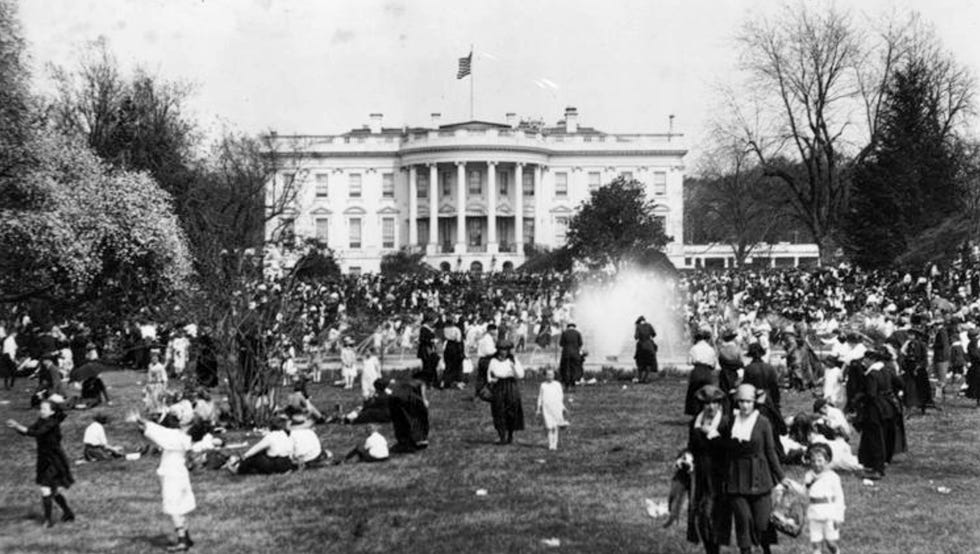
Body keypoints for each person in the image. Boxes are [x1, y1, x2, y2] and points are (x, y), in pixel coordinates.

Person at [724, 384, 789, 554]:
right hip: (737, 477)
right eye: (741, 402)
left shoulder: (762, 422)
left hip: (759, 475)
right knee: (743, 519)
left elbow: (770, 451)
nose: (745, 406)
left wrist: (781, 476)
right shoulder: (731, 422)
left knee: (762, 522)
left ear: (754, 403)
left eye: (748, 402)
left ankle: (766, 549)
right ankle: (745, 550)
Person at [128, 411, 196, 551]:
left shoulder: (168, 436)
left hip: (172, 475)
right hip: (182, 473)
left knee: (173, 507)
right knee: (181, 506)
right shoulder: (182, 435)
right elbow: (154, 428)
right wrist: (140, 420)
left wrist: (138, 419)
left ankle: (182, 540)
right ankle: (187, 537)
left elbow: (153, 429)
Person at [6, 396, 76, 527]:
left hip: (54, 460)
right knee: (53, 491)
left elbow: (37, 433)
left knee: (45, 489)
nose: (41, 411)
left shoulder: (52, 423)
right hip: (44, 459)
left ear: (52, 412)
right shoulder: (42, 420)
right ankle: (68, 513)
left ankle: (48, 521)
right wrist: (16, 428)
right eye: (41, 408)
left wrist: (18, 425)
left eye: (44, 409)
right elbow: (29, 431)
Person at [686, 385, 732, 554]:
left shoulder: (725, 423)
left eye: (715, 403)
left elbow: (729, 449)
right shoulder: (695, 423)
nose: (711, 407)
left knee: (713, 514)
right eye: (707, 404)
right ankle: (709, 549)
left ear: (720, 405)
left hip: (718, 476)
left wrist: (712, 435)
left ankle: (715, 549)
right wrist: (686, 457)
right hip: (700, 475)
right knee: (699, 514)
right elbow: (691, 446)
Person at [787, 443, 845, 554]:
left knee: (830, 542)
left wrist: (839, 517)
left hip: (830, 514)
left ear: (827, 461)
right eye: (813, 461)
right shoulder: (809, 475)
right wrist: (790, 483)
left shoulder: (833, 477)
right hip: (814, 513)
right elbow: (804, 491)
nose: (816, 464)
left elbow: (839, 497)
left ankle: (836, 551)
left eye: (820, 460)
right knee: (816, 543)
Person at [488, 339, 525, 445]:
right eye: (501, 349)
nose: (503, 352)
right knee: (498, 410)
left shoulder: (513, 360)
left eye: (505, 350)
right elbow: (489, 375)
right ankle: (501, 436)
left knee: (511, 410)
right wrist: (492, 380)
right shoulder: (493, 361)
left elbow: (520, 375)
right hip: (498, 386)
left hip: (510, 385)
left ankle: (510, 435)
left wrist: (513, 367)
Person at [230, 416, 295, 475]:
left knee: (252, 458)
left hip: (276, 463)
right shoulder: (285, 435)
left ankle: (238, 470)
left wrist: (244, 456)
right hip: (287, 462)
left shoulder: (271, 436)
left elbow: (257, 448)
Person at [387, 376, 430, 453]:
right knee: (415, 418)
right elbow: (424, 401)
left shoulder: (402, 384)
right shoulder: (419, 383)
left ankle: (406, 442)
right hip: (405, 397)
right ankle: (418, 440)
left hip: (397, 398)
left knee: (402, 420)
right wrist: (424, 400)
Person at [686, 329, 718, 417]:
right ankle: (705, 413)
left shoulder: (694, 348)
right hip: (707, 371)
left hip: (697, 370)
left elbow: (689, 362)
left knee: (694, 392)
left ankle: (695, 413)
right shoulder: (711, 349)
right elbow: (713, 365)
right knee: (707, 394)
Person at [535, 368, 568, 451]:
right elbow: (540, 397)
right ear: (545, 376)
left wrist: (562, 407)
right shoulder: (543, 385)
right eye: (548, 375)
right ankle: (550, 444)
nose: (550, 376)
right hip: (547, 408)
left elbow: (560, 397)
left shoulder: (557, 384)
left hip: (556, 407)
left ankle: (555, 444)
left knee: (555, 426)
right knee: (549, 427)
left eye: (552, 375)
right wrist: (538, 408)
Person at [441, 319, 466, 389]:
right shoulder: (456, 329)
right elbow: (458, 339)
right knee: (458, 365)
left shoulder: (445, 329)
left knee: (448, 366)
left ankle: (444, 382)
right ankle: (458, 382)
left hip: (448, 346)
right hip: (456, 346)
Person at [558, 323, 584, 389]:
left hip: (566, 354)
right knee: (574, 368)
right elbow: (580, 343)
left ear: (568, 327)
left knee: (566, 368)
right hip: (575, 354)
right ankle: (573, 382)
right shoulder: (578, 333)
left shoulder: (564, 333)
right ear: (574, 327)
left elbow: (561, 344)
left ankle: (566, 383)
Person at [416, 315, 439, 387]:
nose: (433, 324)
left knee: (431, 365)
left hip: (429, 348)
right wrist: (431, 341)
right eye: (432, 322)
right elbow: (422, 339)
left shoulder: (428, 329)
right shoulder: (424, 328)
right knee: (427, 366)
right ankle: (428, 382)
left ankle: (432, 382)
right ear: (429, 322)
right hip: (425, 349)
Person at [634, 316, 658, 383]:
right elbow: (654, 334)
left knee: (640, 363)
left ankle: (640, 379)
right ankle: (646, 379)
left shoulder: (638, 326)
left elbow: (636, 337)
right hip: (649, 346)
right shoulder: (649, 325)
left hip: (641, 347)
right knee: (649, 363)